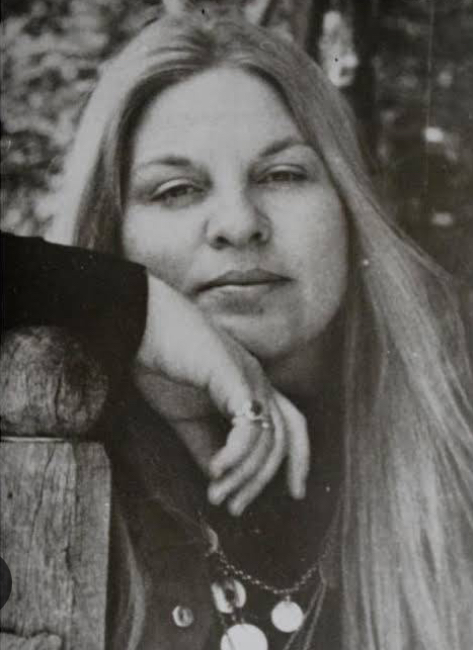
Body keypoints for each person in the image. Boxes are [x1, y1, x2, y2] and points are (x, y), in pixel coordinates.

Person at [45, 9, 473, 650]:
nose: (239, 223)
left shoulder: (448, 444)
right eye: (177, 190)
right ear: (109, 231)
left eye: (282, 175)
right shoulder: (44, 451)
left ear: (348, 208)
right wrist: (137, 307)